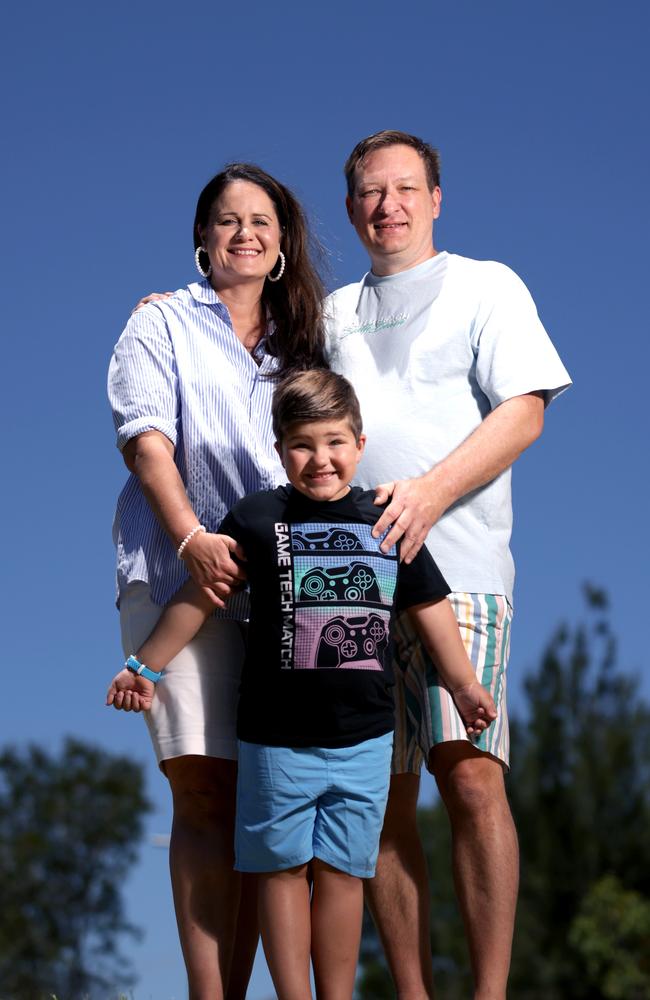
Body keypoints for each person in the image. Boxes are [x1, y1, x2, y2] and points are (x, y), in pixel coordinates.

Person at [115, 369, 499, 999]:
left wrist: (462, 685)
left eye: (334, 442)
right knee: (280, 870)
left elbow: (428, 605)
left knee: (346, 872)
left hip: (366, 740)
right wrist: (147, 665)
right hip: (275, 739)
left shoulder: (387, 519)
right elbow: (202, 593)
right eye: (301, 444)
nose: (320, 459)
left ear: (359, 443)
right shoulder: (258, 518)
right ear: (279, 449)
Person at [323, 130, 572, 999]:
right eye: (369, 192)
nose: (386, 205)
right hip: (350, 580)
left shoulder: (485, 285)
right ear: (351, 206)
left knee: (468, 775)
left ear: (436, 198)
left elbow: (526, 412)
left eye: (403, 188)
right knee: (377, 799)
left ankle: (490, 992)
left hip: (459, 568)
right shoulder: (331, 312)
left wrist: (426, 495)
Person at [105, 163, 327, 1000]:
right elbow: (146, 439)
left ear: (281, 243)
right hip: (174, 579)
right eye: (227, 220)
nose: (245, 232)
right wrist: (191, 535)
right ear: (202, 240)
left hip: (280, 598)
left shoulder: (304, 346)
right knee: (203, 783)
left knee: (266, 804)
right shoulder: (160, 322)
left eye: (261, 220)